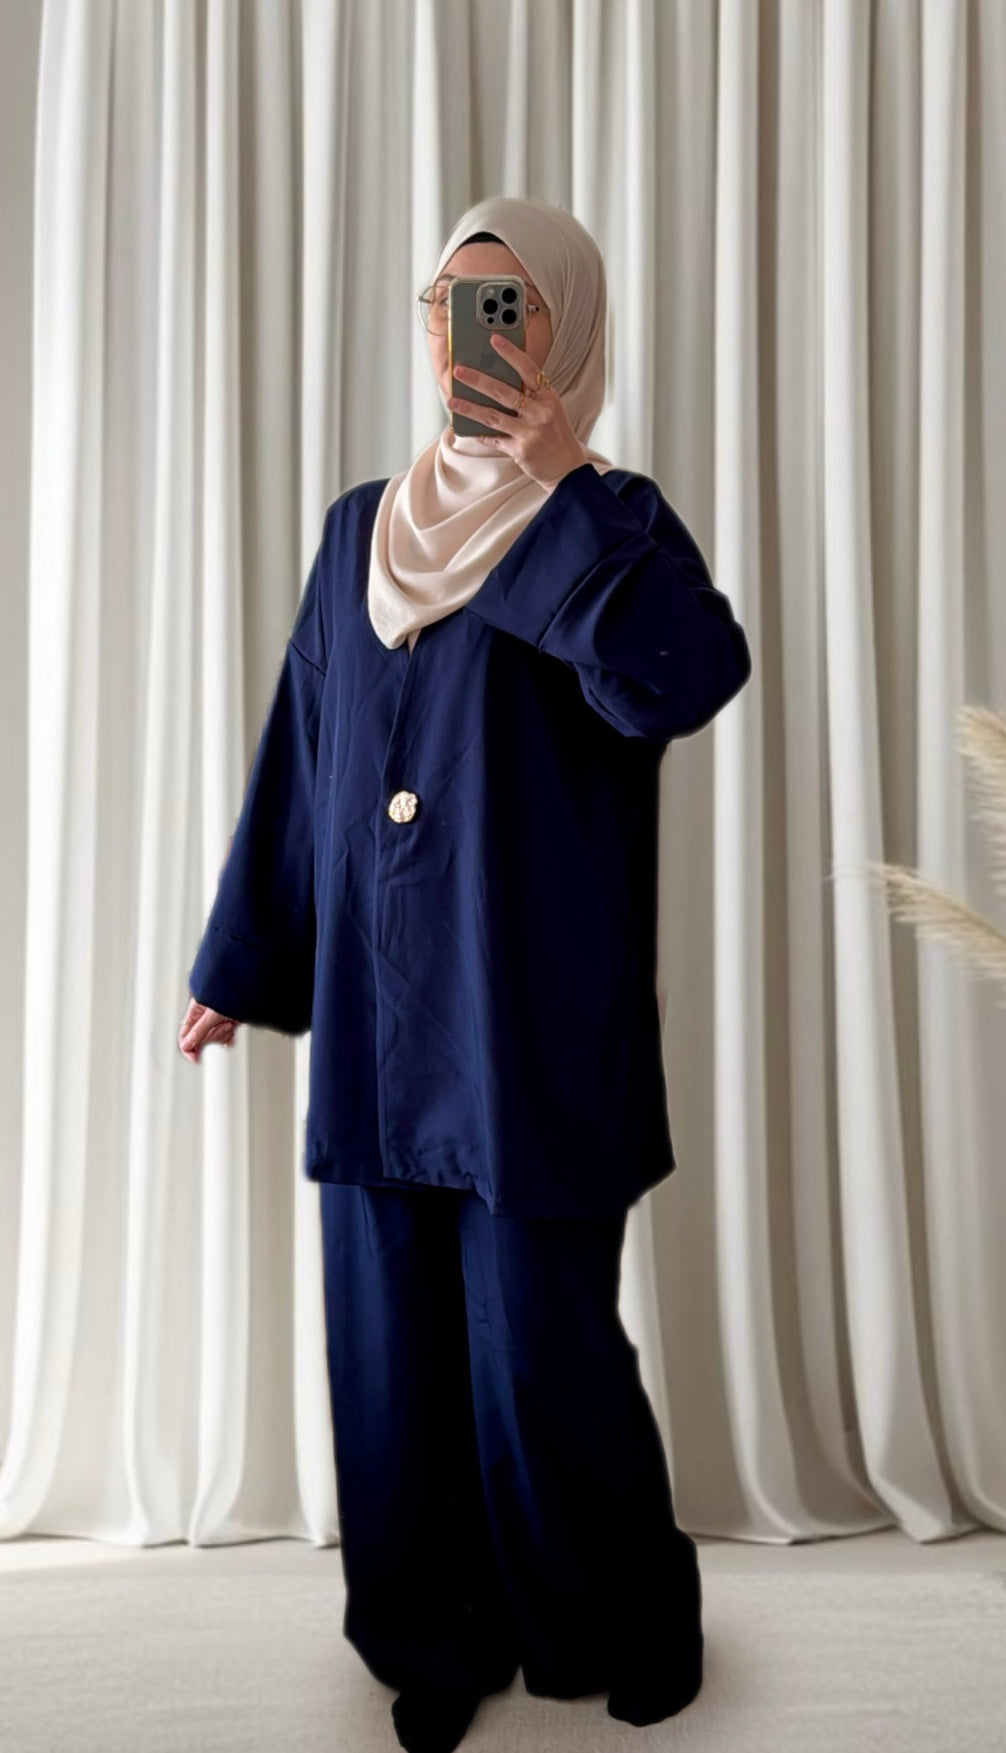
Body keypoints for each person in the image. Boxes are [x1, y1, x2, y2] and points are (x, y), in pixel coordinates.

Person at [179, 195, 751, 1753]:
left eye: (508, 310)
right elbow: (304, 754)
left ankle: (626, 1620)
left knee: (542, 1355)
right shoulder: (358, 529)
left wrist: (564, 488)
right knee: (393, 1361)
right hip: (379, 1016)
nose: (467, 338)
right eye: (447, 305)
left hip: (526, 1022)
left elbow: (683, 677)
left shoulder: (613, 517)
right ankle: (436, 1640)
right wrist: (241, 953)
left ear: (564, 332)